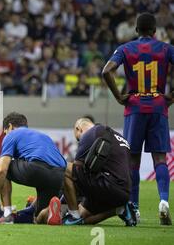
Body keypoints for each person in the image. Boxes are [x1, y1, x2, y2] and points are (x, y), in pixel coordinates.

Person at [102, 12, 174, 225]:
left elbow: (107, 71)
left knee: (132, 160)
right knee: (160, 158)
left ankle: (134, 209)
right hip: (158, 106)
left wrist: (118, 96)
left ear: (136, 30)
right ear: (154, 31)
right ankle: (164, 201)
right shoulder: (166, 48)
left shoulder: (125, 49)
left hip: (134, 107)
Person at [0, 112, 67, 225]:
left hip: (37, 169)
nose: (5, 134)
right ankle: (50, 212)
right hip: (60, 175)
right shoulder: (44, 136)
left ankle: (7, 215)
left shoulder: (12, 134)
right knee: (38, 218)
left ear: (10, 126)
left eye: (5, 131)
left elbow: (1, 170)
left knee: (5, 168)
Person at [62, 118, 137, 226]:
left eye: (78, 138)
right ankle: (121, 210)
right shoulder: (119, 137)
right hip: (124, 192)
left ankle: (73, 216)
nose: (79, 141)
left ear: (79, 129)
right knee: (82, 217)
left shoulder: (90, 134)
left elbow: (75, 173)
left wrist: (65, 200)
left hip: (109, 185)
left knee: (63, 167)